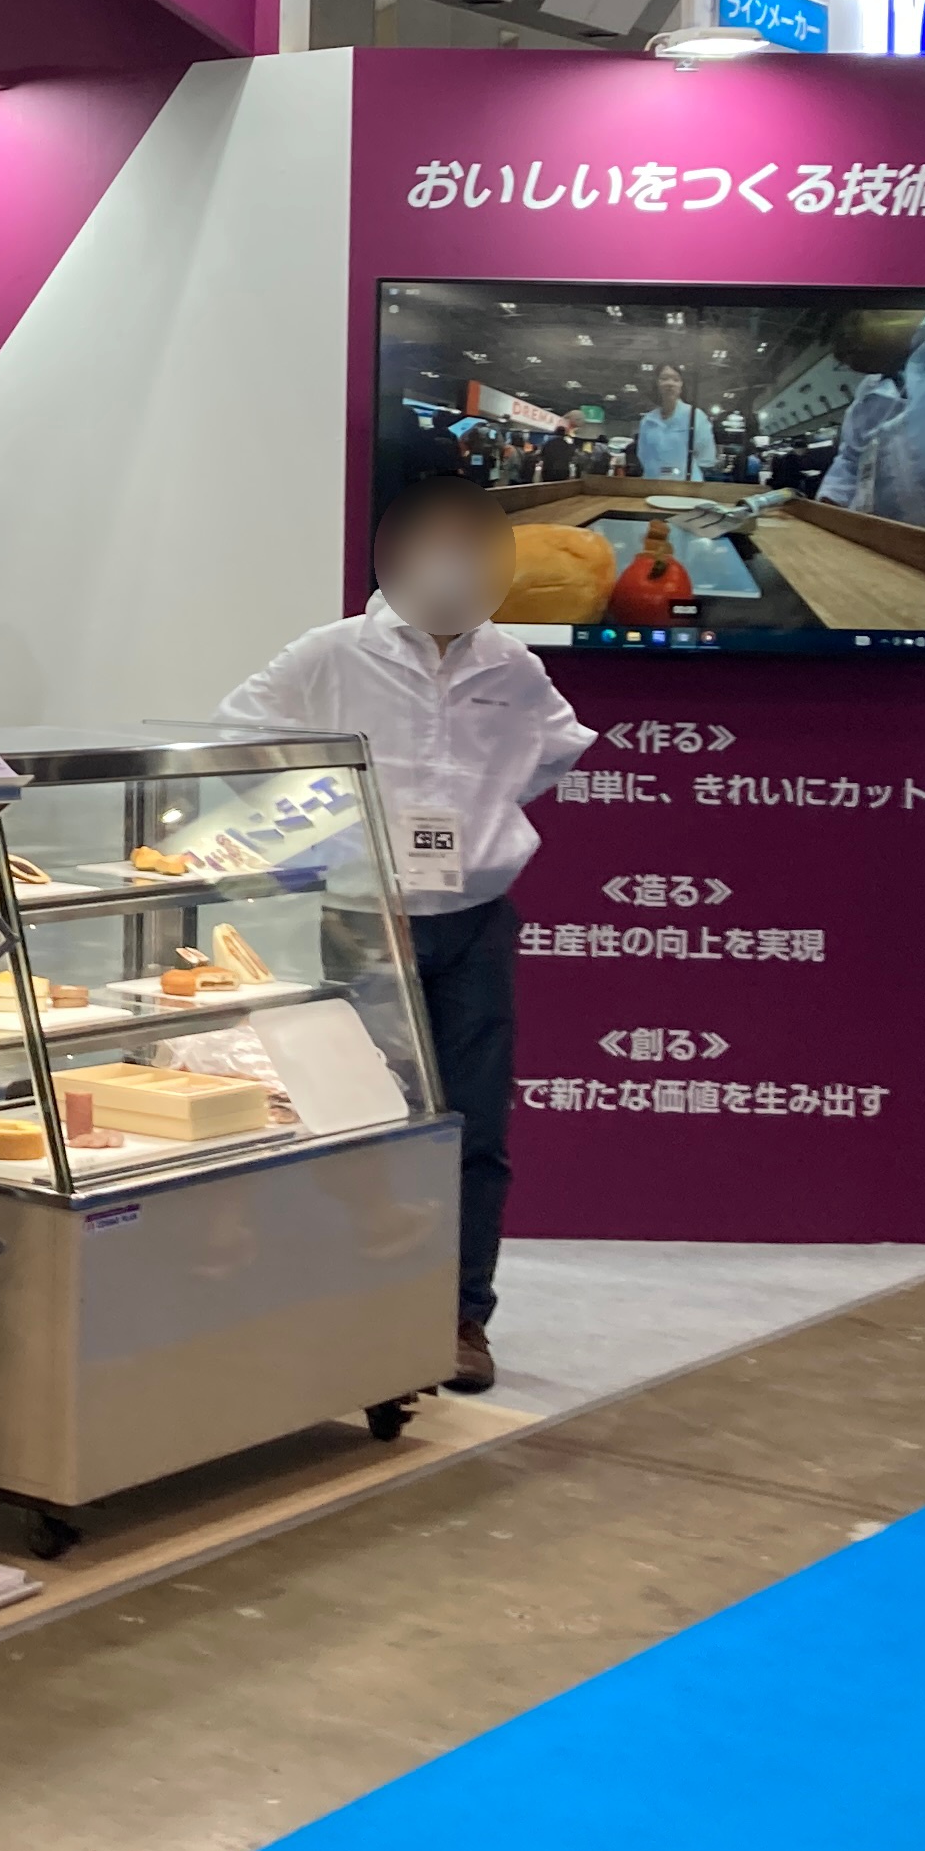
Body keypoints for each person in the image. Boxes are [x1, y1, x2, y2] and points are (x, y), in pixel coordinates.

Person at [219, 475, 592, 1393]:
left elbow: (553, 749)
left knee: (475, 1127)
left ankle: (460, 1316)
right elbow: (240, 737)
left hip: (475, 922)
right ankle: (362, 1312)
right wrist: (334, 841)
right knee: (363, 1122)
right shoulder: (335, 652)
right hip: (364, 922)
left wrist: (484, 823)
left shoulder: (512, 664)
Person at [631, 364, 719, 481]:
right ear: (656, 384)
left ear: (681, 385)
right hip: (653, 484)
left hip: (688, 485)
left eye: (675, 379)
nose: (670, 383)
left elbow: (706, 456)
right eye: (664, 379)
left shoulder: (695, 416)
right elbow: (644, 456)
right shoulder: (647, 421)